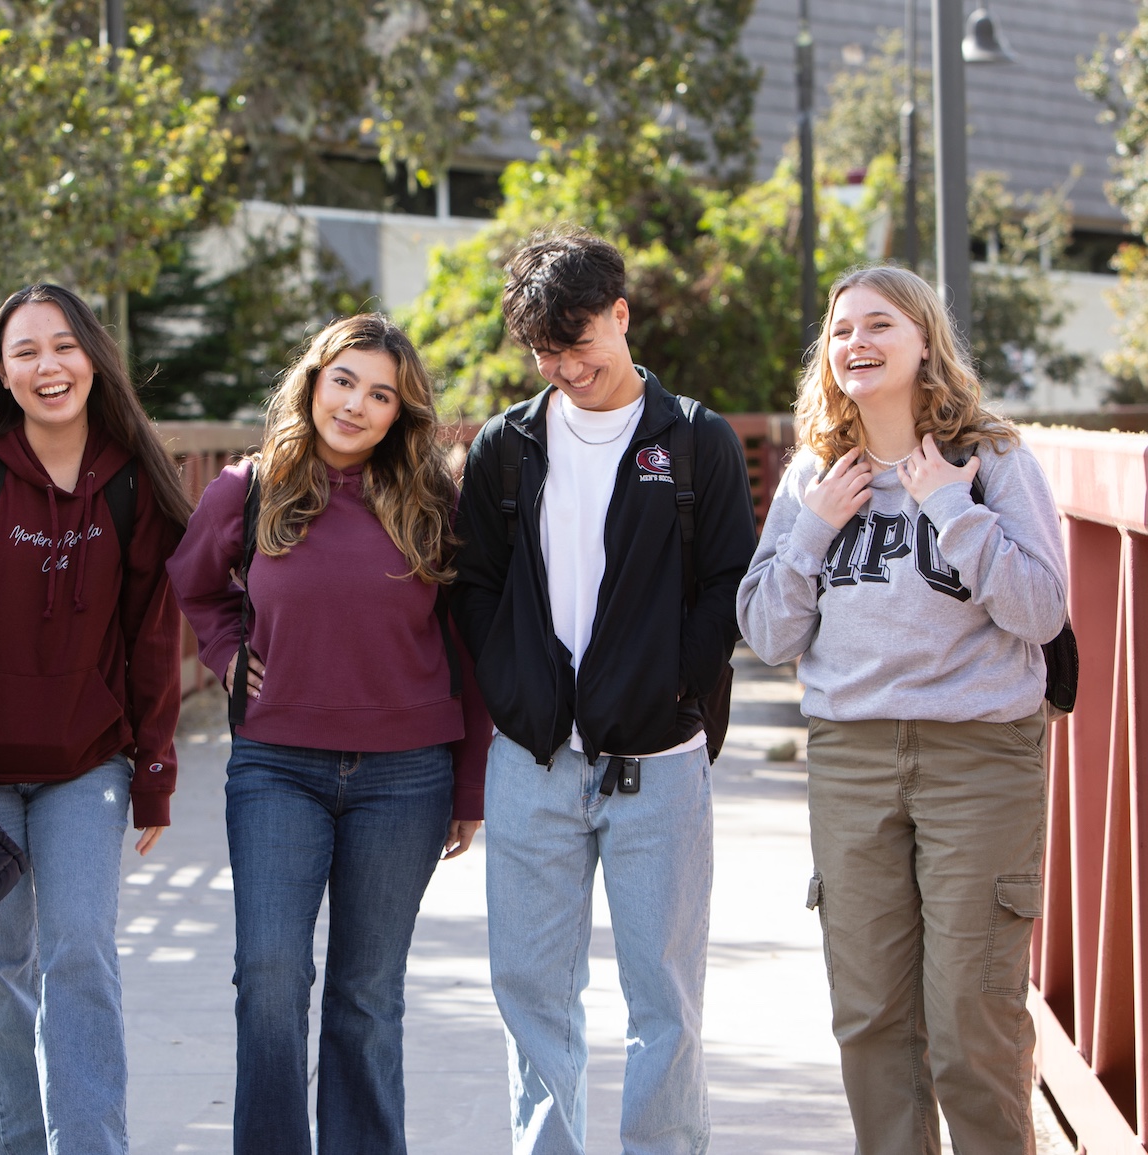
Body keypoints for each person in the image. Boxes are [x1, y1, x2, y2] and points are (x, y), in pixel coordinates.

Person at [737, 264, 1065, 1154]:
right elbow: (768, 631)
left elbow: (1041, 611)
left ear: (925, 340)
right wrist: (811, 526)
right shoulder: (816, 472)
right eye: (842, 330)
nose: (858, 344)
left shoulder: (992, 460)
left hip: (978, 757)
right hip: (851, 755)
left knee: (970, 1017)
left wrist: (951, 508)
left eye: (880, 325)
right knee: (872, 1018)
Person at [449, 228, 755, 1153]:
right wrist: (515, 691)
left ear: (621, 317)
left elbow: (727, 587)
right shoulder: (508, 444)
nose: (566, 367)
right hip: (533, 759)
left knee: (663, 996)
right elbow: (476, 584)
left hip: (658, 760)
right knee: (533, 991)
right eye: (546, 351)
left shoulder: (696, 441)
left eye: (580, 341)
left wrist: (665, 692)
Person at [166, 313, 492, 1154]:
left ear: (400, 413)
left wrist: (468, 784)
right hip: (277, 766)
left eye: (380, 394)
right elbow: (196, 588)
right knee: (270, 980)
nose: (355, 404)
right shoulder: (244, 489)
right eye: (343, 380)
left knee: (367, 995)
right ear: (313, 381)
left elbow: (469, 643)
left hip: (407, 777)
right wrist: (232, 656)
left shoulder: (433, 500)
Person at [0, 283, 188, 1155]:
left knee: (79, 955)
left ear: (93, 358)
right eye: (24, 351)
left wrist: (154, 772)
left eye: (63, 346)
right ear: (0, 369)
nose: (47, 366)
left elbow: (152, 635)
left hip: (86, 764)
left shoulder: (134, 480)